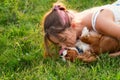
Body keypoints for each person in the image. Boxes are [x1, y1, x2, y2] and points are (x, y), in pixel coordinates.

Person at [43, 0, 120, 56]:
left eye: (63, 40)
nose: (63, 47)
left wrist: (109, 56)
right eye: (59, 44)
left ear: (73, 25)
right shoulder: (76, 21)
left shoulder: (100, 22)